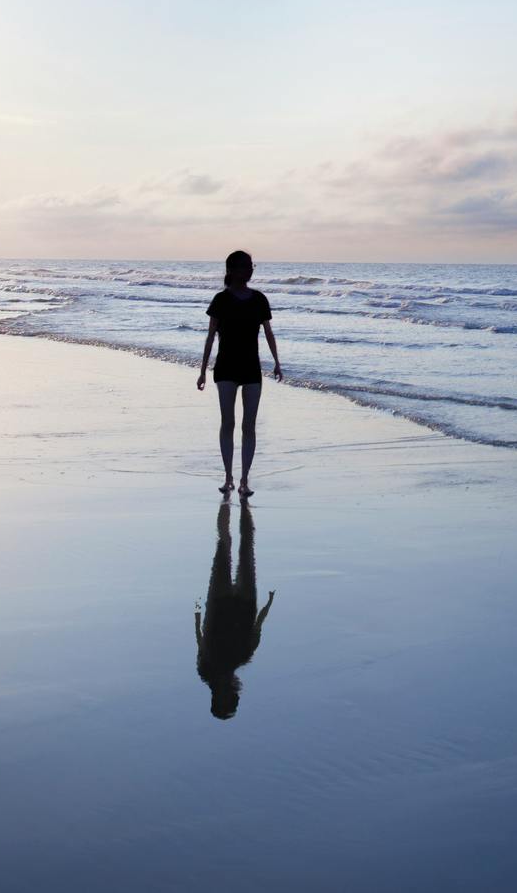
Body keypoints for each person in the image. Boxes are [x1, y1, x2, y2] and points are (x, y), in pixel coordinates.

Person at [196, 249, 280, 497]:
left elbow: (268, 333)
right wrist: (202, 370)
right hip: (226, 367)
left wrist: (277, 362)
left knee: (249, 425)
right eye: (245, 266)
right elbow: (211, 336)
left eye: (251, 265)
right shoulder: (221, 300)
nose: (250, 270)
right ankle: (228, 477)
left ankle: (244, 480)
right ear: (231, 270)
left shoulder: (259, 299)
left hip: (251, 368)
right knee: (228, 422)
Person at [195, 499, 275, 720]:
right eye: (229, 697)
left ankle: (230, 501)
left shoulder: (206, 668)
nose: (226, 692)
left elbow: (199, 638)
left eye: (223, 697)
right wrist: (267, 606)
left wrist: (197, 609)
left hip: (219, 603)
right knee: (245, 546)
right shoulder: (244, 655)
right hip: (243, 604)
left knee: (225, 545)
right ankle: (243, 503)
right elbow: (257, 630)